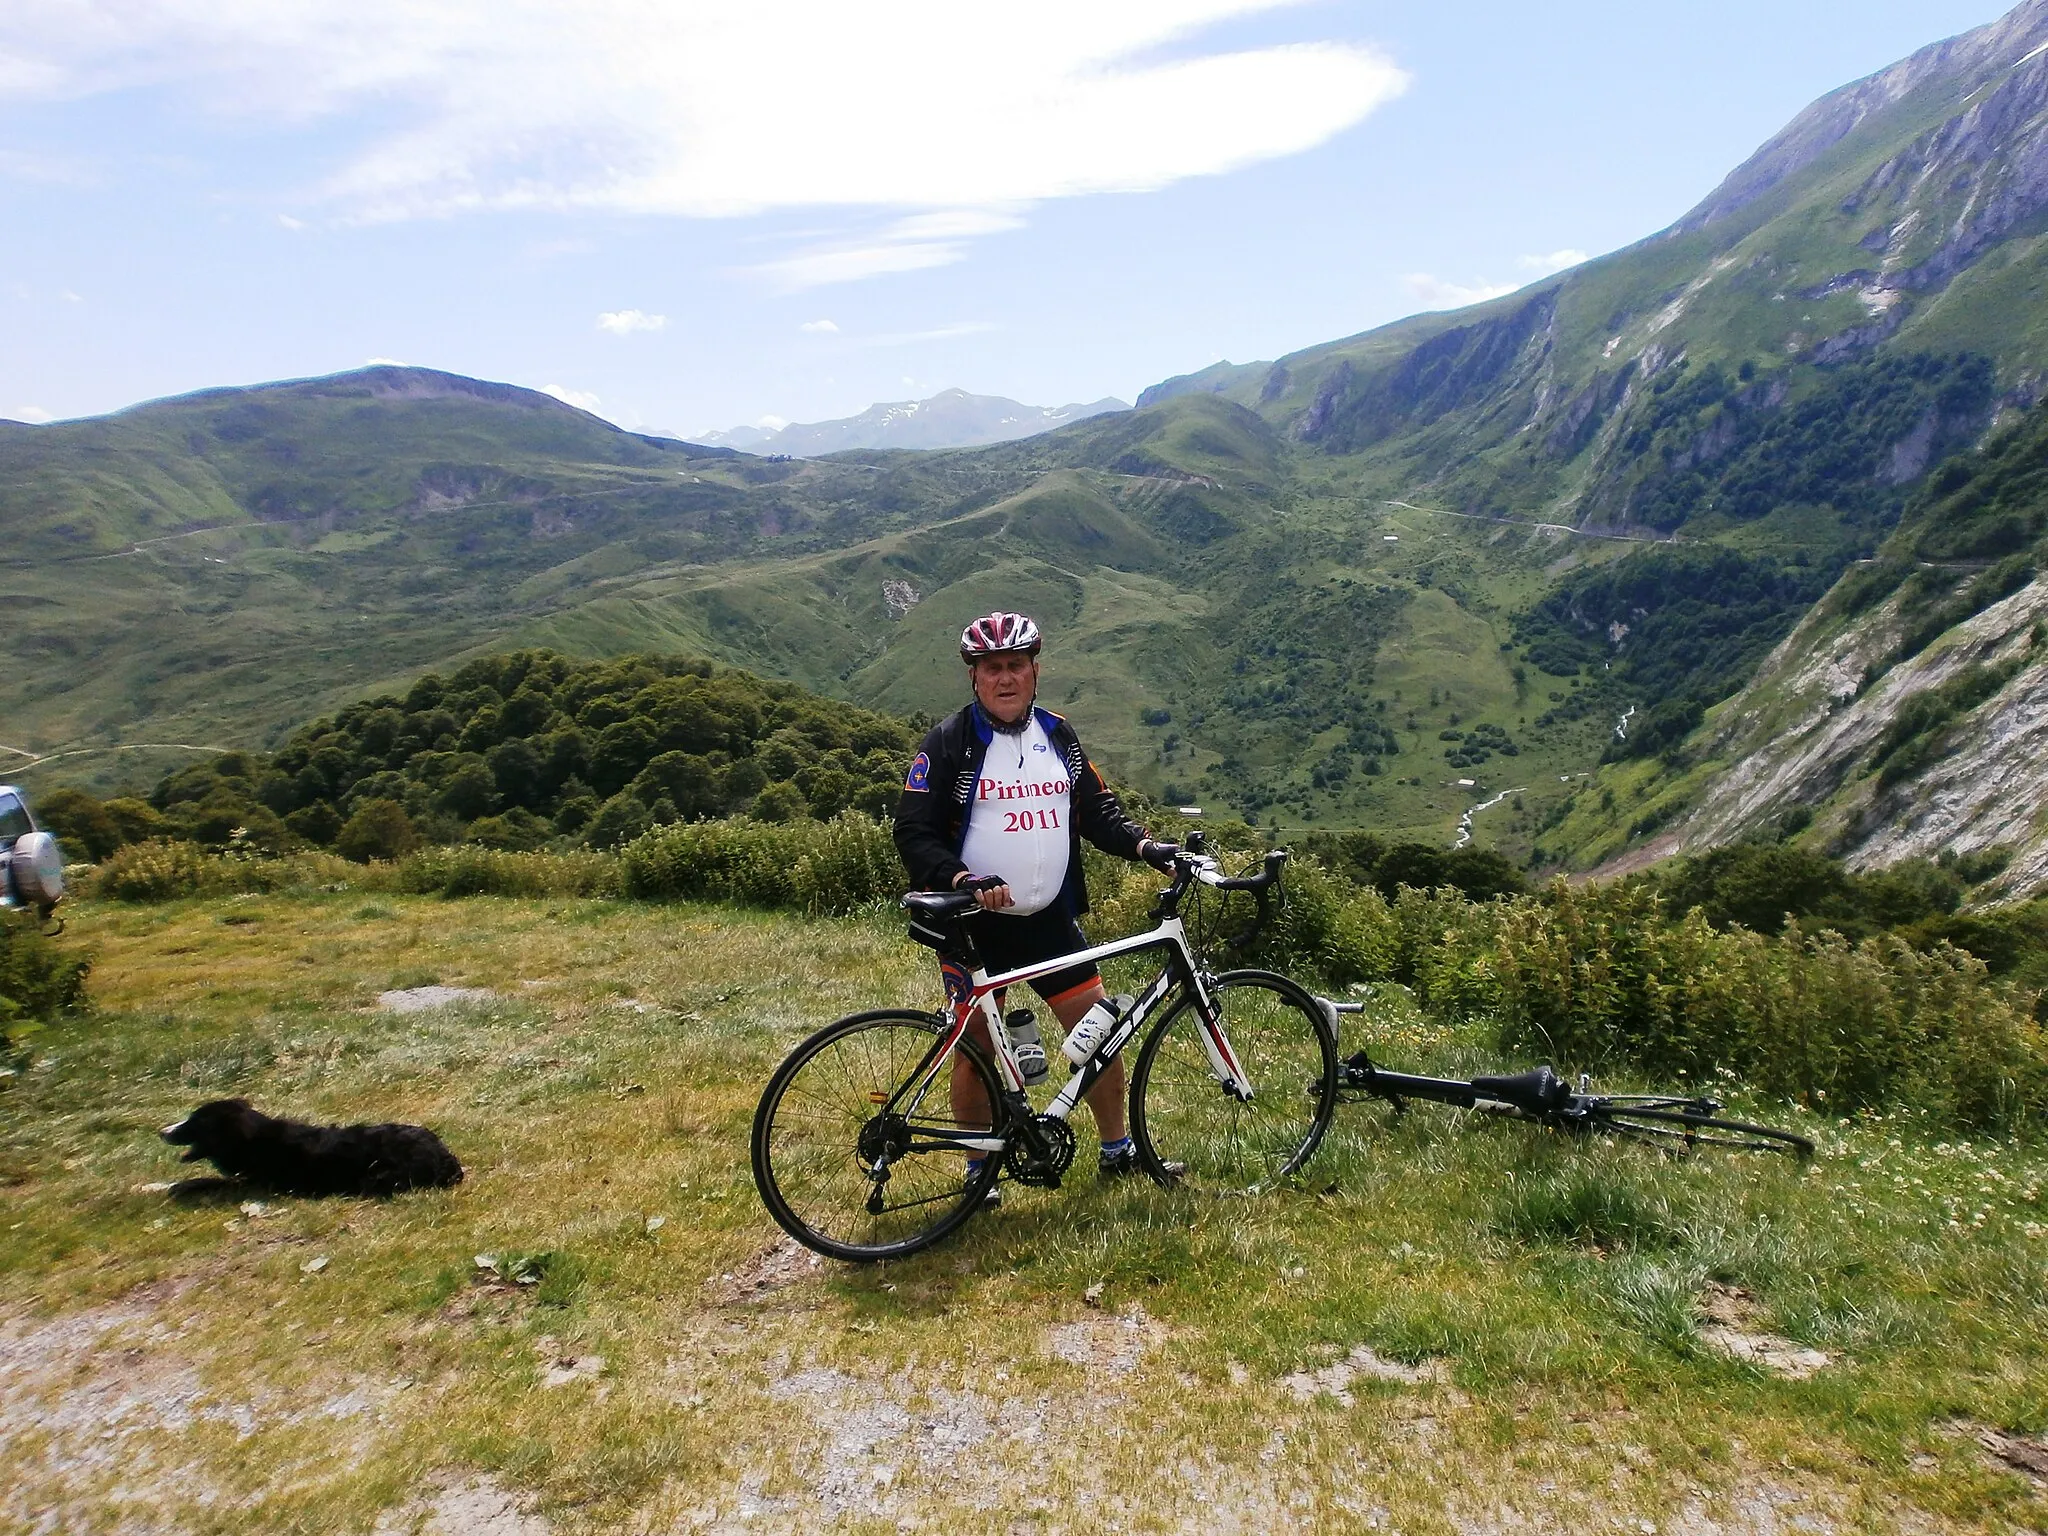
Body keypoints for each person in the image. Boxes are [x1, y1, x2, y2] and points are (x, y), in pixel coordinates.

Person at [893, 610, 1178, 1199]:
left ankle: (1116, 1149)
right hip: (976, 924)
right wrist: (962, 877)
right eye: (991, 667)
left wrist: (1146, 846)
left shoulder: (1058, 734)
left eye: (1015, 666)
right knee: (974, 1052)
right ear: (974, 677)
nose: (1004, 678)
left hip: (1048, 921)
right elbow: (913, 831)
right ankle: (979, 1172)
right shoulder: (948, 743)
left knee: (1099, 1035)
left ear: (1034, 671)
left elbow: (1096, 810)